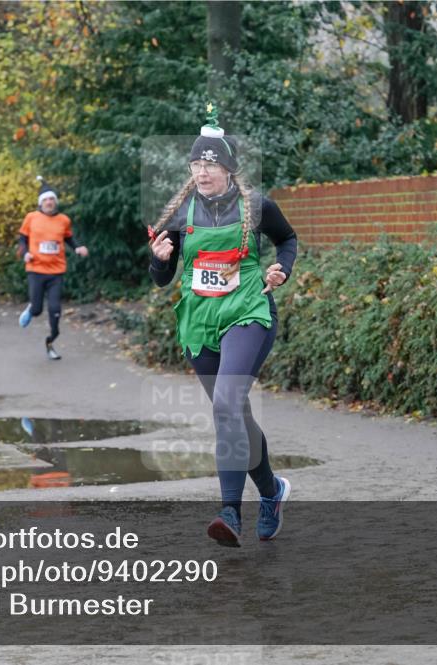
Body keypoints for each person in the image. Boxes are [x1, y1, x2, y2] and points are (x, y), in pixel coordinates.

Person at [147, 106, 297, 547]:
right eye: (196, 164)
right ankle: (271, 492)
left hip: (247, 312)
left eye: (211, 164)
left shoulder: (257, 207)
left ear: (228, 168)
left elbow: (288, 239)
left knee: (226, 404)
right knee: (235, 415)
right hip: (199, 321)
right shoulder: (181, 215)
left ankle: (229, 511)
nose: (203, 171)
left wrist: (280, 270)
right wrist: (157, 261)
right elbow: (162, 277)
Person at [17, 176, 88, 360]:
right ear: (41, 202)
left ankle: (51, 340)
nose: (49, 202)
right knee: (38, 310)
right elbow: (22, 239)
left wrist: (78, 247)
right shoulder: (31, 218)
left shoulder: (63, 220)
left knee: (55, 310)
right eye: (46, 199)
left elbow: (68, 238)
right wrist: (24, 253)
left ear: (55, 202)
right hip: (35, 269)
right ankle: (31, 308)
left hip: (56, 271)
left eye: (52, 199)